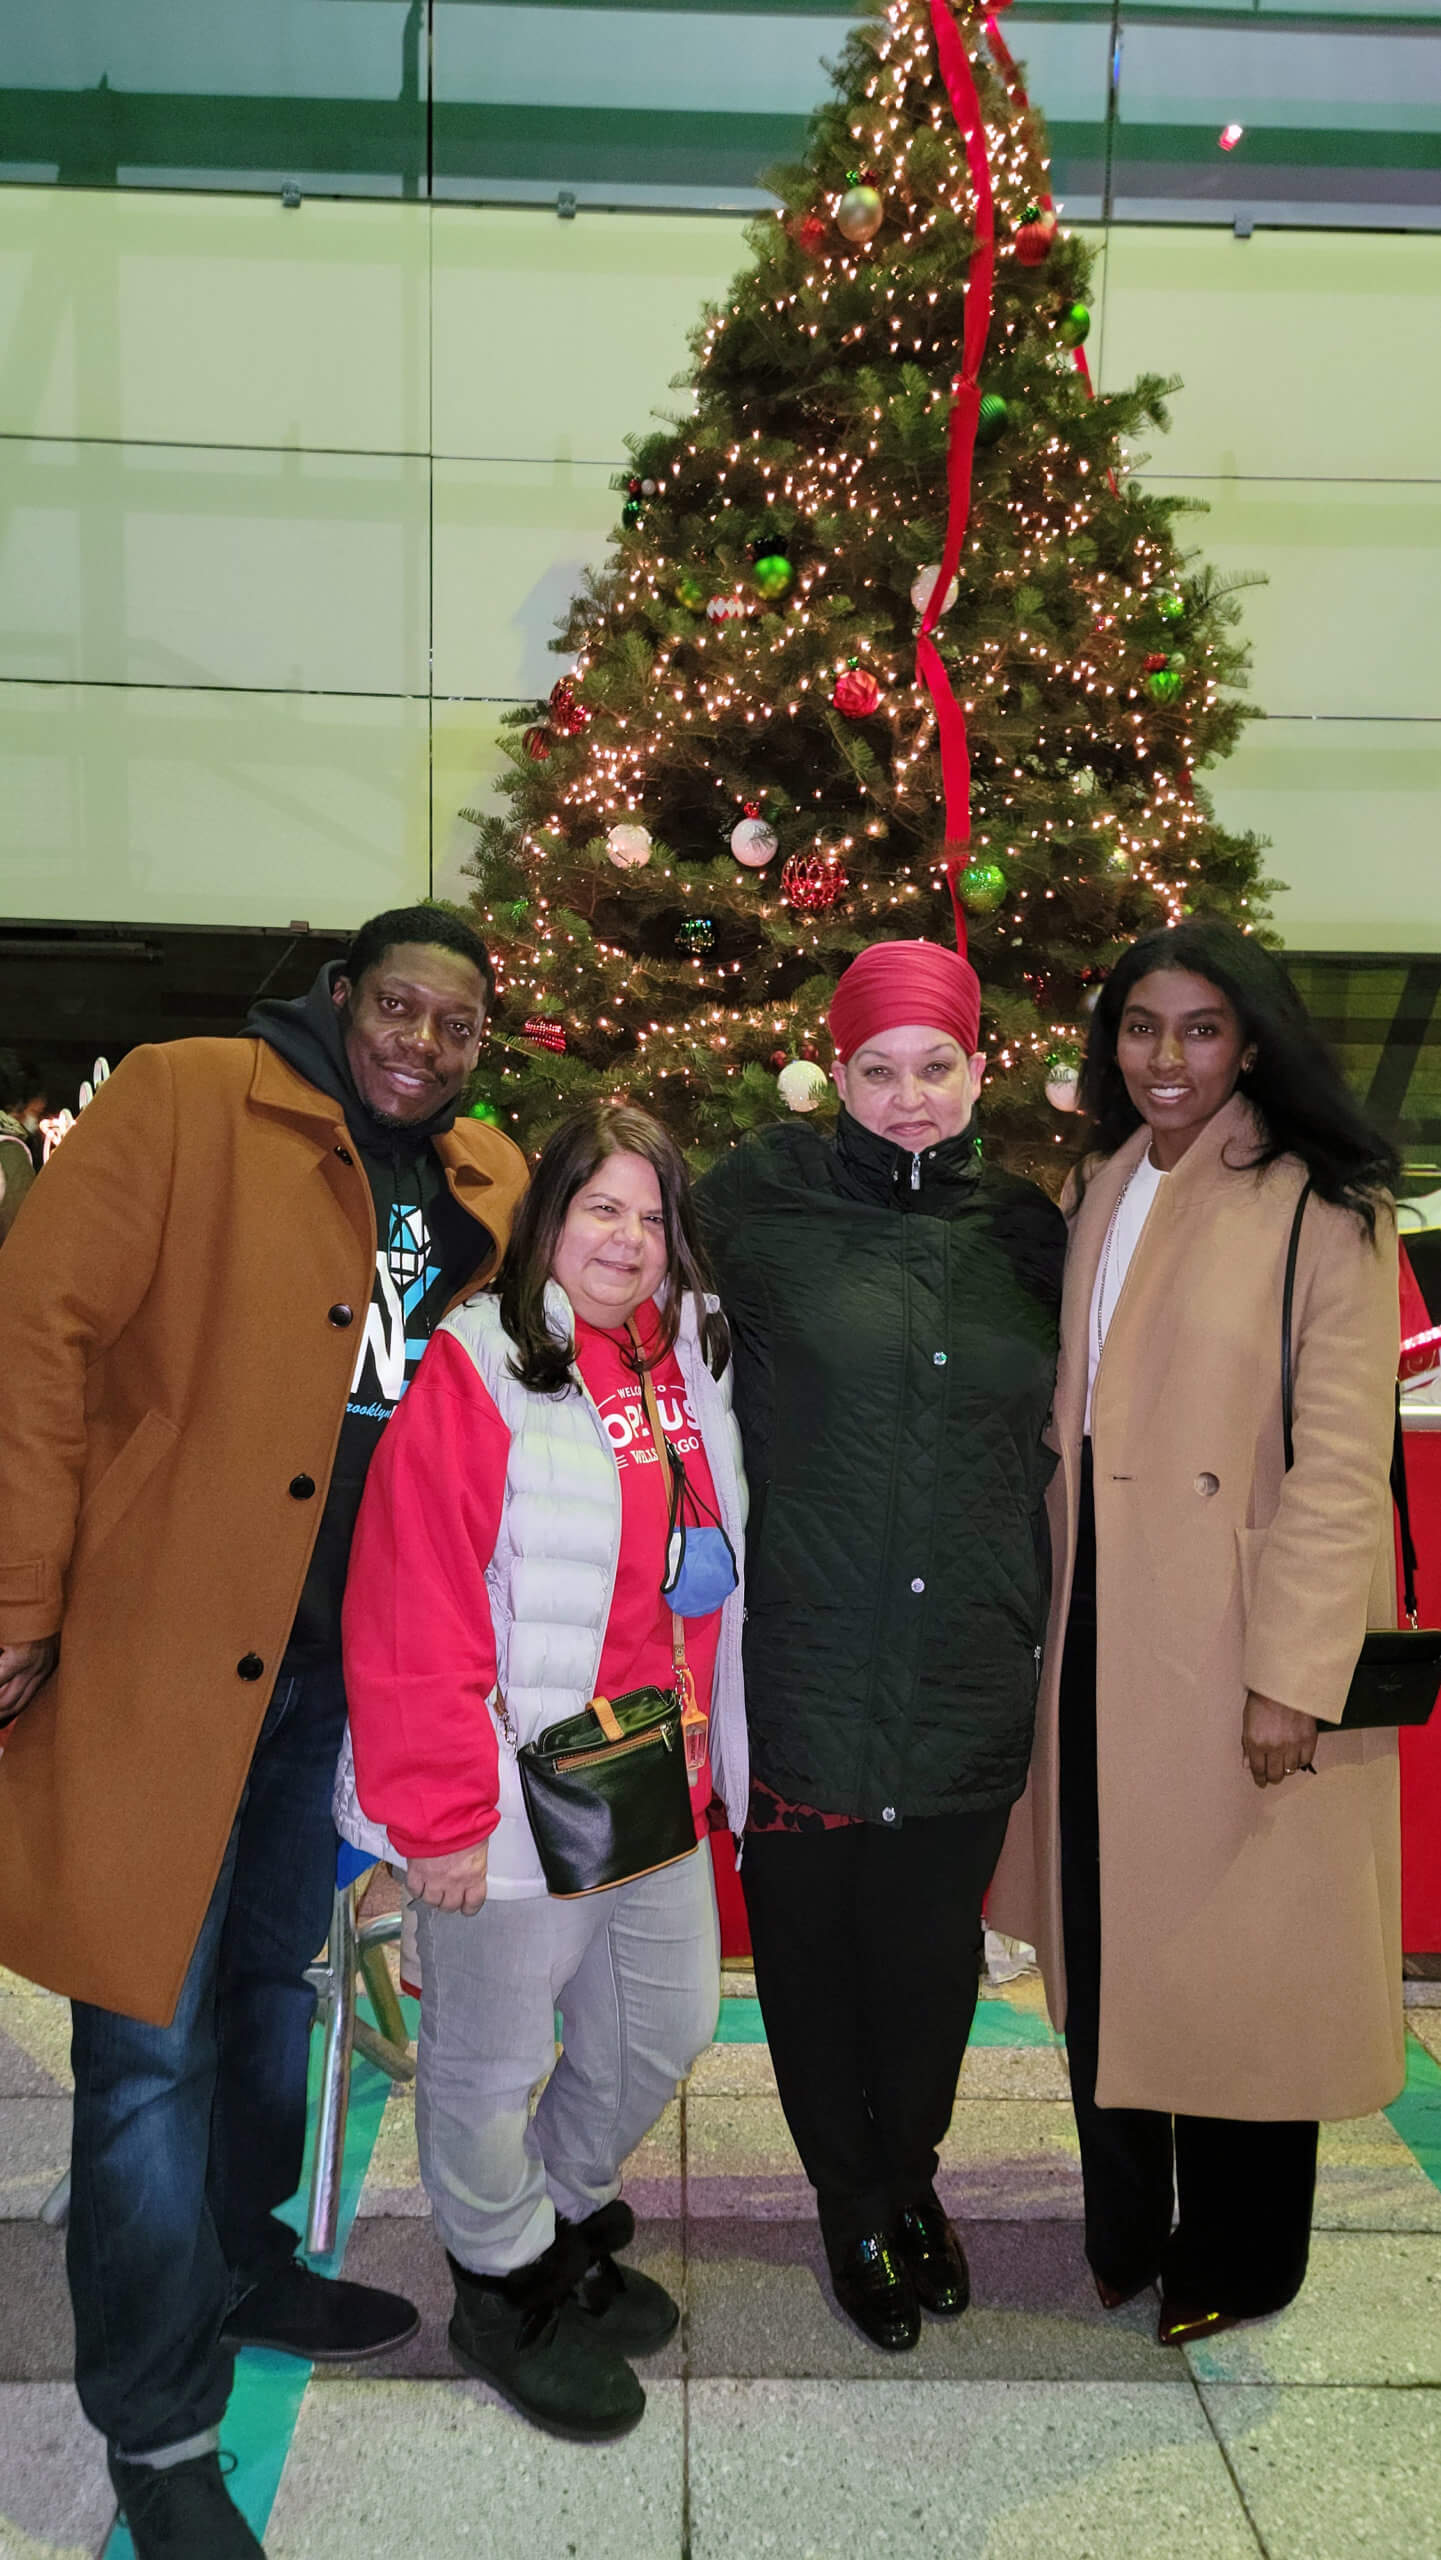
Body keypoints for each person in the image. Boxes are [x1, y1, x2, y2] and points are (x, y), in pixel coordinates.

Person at [0, 908, 527, 2558]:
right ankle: (158, 2431)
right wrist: (17, 1591)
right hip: (161, 1654)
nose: (422, 1043)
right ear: (341, 998)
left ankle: (239, 2267)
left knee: (269, 1996)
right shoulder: (184, 1099)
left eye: (457, 1024)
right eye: (399, 1006)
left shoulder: (488, 1181)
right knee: (146, 2048)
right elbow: (36, 1336)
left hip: (335, 1676)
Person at [991, 916, 1404, 2347]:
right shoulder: (1100, 1181)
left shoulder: (1321, 1205)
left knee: (1240, 1958)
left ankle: (1243, 2252)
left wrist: (1292, 1677)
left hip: (1230, 1633)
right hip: (1098, 1618)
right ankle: (1123, 2229)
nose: (1165, 1056)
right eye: (1139, 1026)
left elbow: (1344, 1464)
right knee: (1108, 1940)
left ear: (1253, 1040)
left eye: (1201, 1027)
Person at [338, 1101, 748, 2442]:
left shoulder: (678, 1361)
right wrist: (441, 1815)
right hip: (509, 1786)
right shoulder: (481, 1362)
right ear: (547, 1220)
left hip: (649, 1772)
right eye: (598, 1208)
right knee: (487, 2058)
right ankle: (499, 2281)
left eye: (651, 1215)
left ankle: (554, 2215)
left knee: (664, 2025)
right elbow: (414, 1592)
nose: (626, 1239)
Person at [694, 940, 1065, 2350]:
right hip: (804, 1659)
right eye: (877, 1069)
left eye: (936, 1067)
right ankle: (849, 2202)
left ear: (979, 1069)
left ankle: (910, 2177)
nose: (909, 1097)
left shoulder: (1027, 1232)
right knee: (808, 1959)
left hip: (967, 1655)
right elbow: (607, 1265)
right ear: (833, 1074)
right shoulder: (754, 1207)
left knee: (925, 1961)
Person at [0, 1048, 38, 1240]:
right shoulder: (10, 1152)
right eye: (36, 1112)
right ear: (15, 1108)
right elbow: (23, 1234)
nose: (37, 1122)